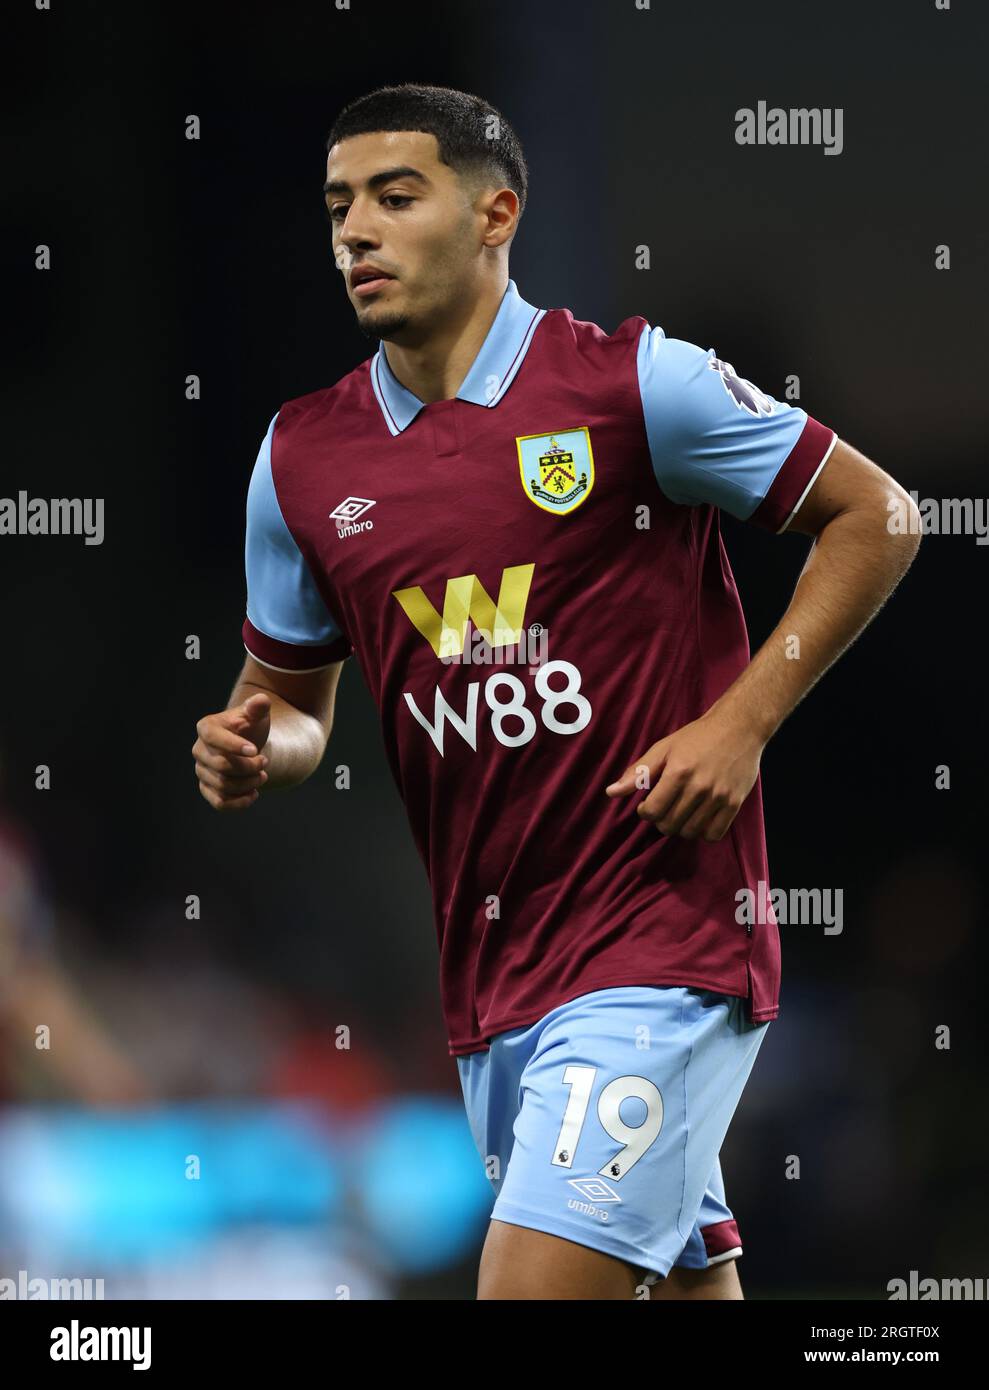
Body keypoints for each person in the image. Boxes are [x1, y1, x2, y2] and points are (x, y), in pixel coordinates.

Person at [191, 84, 921, 1300]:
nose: (353, 232)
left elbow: (877, 517)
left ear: (495, 213)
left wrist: (738, 723)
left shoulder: (635, 386)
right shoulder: (299, 459)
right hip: (492, 978)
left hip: (659, 944)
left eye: (393, 196)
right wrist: (261, 749)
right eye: (336, 207)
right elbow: (295, 700)